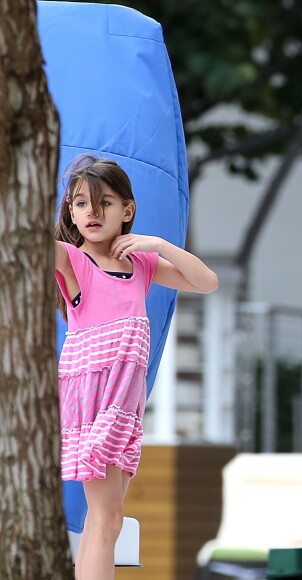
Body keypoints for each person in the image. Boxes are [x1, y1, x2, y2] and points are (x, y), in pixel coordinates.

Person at [54, 155, 219, 580]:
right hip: (94, 400)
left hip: (126, 403)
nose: (92, 213)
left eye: (105, 202)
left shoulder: (142, 265)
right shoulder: (74, 260)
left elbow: (206, 282)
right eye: (80, 204)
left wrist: (159, 245)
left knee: (101, 519)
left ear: (127, 210)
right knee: (108, 519)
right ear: (70, 212)